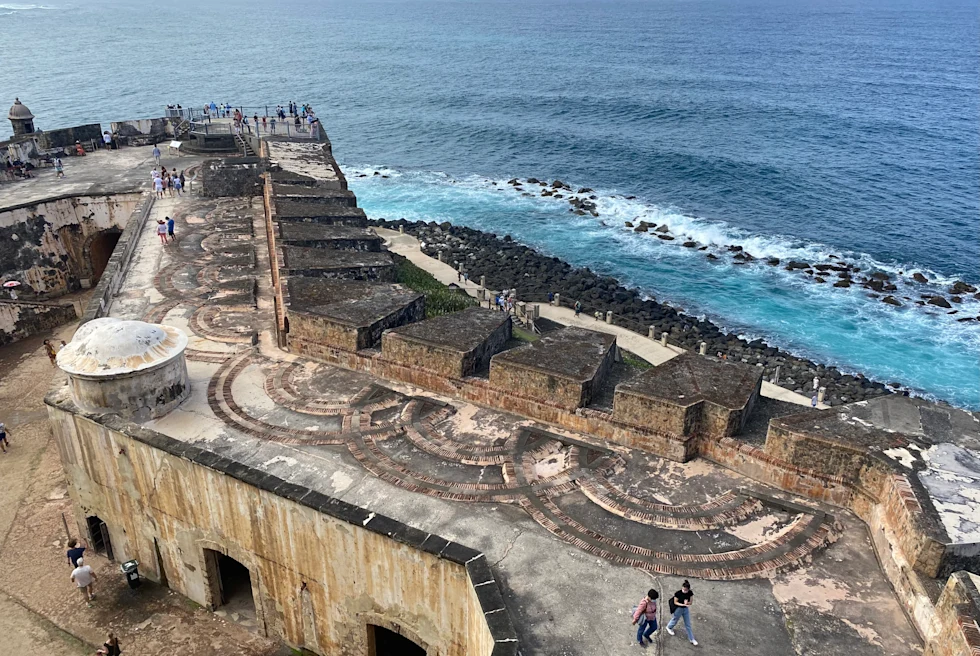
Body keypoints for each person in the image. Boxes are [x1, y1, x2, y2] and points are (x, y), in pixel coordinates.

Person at [665, 580, 697, 646]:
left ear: (688, 589)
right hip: (678, 608)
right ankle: (669, 627)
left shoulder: (690, 593)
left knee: (688, 624)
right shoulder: (678, 593)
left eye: (685, 590)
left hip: (685, 609)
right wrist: (682, 604)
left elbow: (691, 602)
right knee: (675, 619)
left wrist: (687, 603)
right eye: (683, 589)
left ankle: (691, 639)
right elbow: (675, 602)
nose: (684, 590)